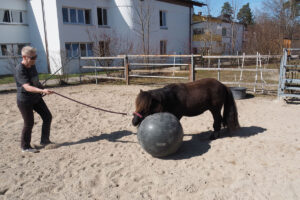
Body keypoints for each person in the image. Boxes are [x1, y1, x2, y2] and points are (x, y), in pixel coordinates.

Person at [14, 46, 54, 153]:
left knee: (47, 117)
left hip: (36, 98)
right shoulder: (20, 69)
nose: (34, 59)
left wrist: (43, 88)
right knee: (29, 123)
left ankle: (45, 141)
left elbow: (35, 82)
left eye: (35, 57)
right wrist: (42, 91)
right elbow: (27, 87)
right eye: (32, 57)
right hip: (24, 100)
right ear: (24, 57)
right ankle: (25, 147)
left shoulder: (32, 65)